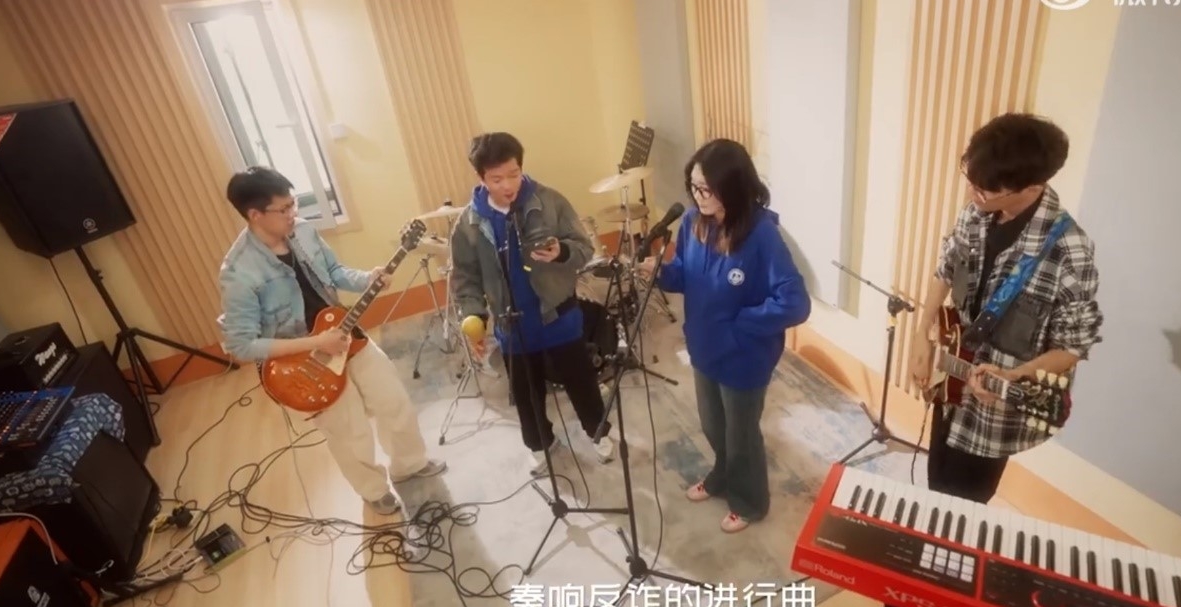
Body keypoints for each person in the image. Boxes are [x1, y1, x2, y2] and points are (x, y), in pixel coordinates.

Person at [217, 167, 446, 517]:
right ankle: (373, 490)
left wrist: (367, 278)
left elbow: (335, 273)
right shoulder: (238, 273)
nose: (294, 213)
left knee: (393, 400)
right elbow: (242, 345)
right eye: (284, 209)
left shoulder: (304, 231)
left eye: (294, 203)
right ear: (255, 214)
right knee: (350, 431)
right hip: (305, 360)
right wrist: (316, 343)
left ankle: (410, 464)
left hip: (344, 332)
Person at [908, 112, 1104, 505]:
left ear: (1032, 187)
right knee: (936, 483)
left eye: (984, 192)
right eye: (971, 183)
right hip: (953, 377)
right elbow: (946, 269)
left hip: (994, 407)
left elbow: (1072, 347)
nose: (972, 197)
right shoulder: (976, 214)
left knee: (963, 504)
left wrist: (1015, 376)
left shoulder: (1071, 252)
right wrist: (921, 333)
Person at [639, 138, 811, 534]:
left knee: (741, 436)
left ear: (733, 187)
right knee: (713, 426)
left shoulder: (762, 235)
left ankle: (750, 502)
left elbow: (795, 303)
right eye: (695, 186)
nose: (699, 196)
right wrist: (661, 272)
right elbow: (686, 274)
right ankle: (722, 475)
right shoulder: (692, 222)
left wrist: (742, 324)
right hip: (704, 347)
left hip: (743, 356)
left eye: (708, 188)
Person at [448, 132, 616, 476]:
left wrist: (562, 252)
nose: (508, 185)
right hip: (512, 323)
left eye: (514, 174)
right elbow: (465, 278)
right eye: (497, 179)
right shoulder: (469, 223)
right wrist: (474, 317)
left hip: (559, 315)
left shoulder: (549, 201)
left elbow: (584, 247)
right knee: (526, 393)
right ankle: (539, 443)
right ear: (481, 178)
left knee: (581, 380)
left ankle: (598, 432)